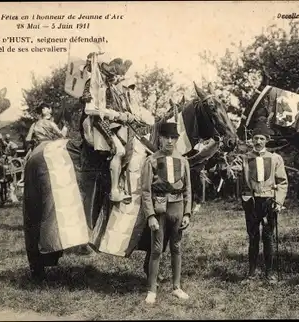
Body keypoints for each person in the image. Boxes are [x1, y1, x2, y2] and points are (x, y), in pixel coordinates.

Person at [141, 122, 192, 304]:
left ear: (177, 140)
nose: (170, 141)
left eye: (173, 138)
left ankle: (176, 286)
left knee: (176, 247)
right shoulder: (151, 160)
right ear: (160, 139)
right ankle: (152, 289)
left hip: (177, 208)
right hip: (159, 208)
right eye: (166, 138)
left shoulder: (183, 161)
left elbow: (187, 190)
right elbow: (146, 191)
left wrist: (187, 213)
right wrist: (150, 216)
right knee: (156, 249)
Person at [80, 53, 136, 202]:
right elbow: (89, 109)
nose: (113, 76)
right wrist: (116, 115)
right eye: (110, 72)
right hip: (95, 121)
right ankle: (114, 191)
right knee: (119, 150)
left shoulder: (108, 86)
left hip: (108, 119)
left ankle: (121, 183)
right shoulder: (92, 84)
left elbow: (114, 107)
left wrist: (125, 115)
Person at [241, 124, 288, 284]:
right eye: (255, 138)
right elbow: (241, 182)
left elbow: (282, 182)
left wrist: (279, 201)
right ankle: (251, 272)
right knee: (253, 237)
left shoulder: (275, 158)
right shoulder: (246, 159)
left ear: (267, 140)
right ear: (251, 140)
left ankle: (270, 272)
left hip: (269, 201)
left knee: (268, 237)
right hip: (252, 202)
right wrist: (244, 198)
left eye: (261, 138)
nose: (258, 141)